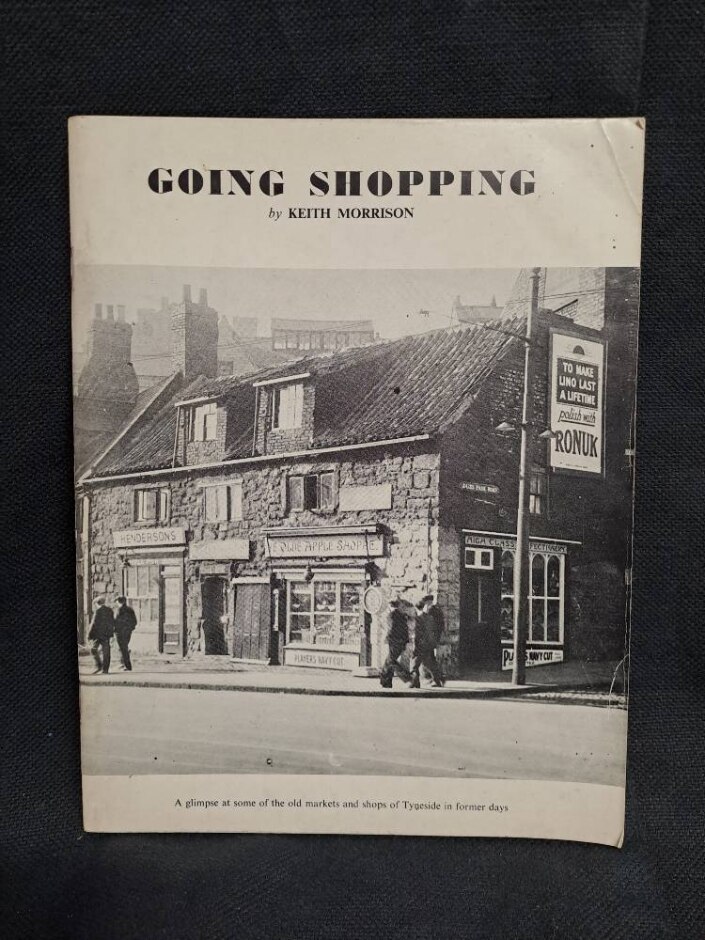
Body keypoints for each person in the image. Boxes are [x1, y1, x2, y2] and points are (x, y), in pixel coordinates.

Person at [410, 595, 444, 688]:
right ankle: (437, 681)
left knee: (414, 664)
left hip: (420, 644)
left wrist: (414, 646)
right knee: (429, 663)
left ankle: (415, 682)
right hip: (429, 643)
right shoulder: (430, 618)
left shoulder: (418, 619)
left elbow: (417, 634)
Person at [379, 599, 411, 688]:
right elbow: (405, 630)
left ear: (390, 606)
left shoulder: (391, 615)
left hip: (394, 641)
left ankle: (407, 677)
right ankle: (387, 682)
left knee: (390, 661)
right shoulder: (402, 615)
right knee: (389, 661)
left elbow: (391, 628)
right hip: (401, 642)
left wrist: (387, 637)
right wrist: (405, 641)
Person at [88, 596, 114, 674]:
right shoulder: (110, 610)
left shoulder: (98, 611)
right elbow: (112, 622)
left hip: (98, 635)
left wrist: (89, 635)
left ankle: (99, 666)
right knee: (106, 651)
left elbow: (93, 624)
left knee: (93, 649)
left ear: (97, 603)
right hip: (106, 634)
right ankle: (105, 669)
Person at [114, 595, 137, 671]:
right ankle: (123, 664)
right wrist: (130, 628)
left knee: (123, 649)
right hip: (128, 632)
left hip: (120, 632)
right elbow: (134, 621)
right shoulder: (130, 609)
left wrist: (114, 630)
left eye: (117, 601)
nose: (117, 603)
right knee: (124, 647)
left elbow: (116, 621)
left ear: (119, 602)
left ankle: (127, 666)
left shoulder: (119, 610)